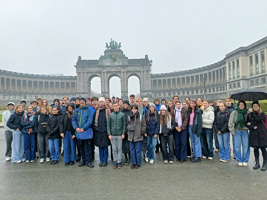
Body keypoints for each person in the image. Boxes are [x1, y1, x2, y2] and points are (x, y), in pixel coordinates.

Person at [72, 98, 94, 168]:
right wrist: (76, 128)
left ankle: (88, 161)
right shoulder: (77, 110)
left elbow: (90, 121)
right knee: (81, 147)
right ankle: (83, 160)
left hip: (86, 131)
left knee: (88, 147)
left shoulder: (89, 110)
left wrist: (83, 128)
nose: (81, 104)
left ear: (85, 103)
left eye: (83, 102)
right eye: (80, 103)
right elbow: (73, 120)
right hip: (78, 132)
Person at [246, 101, 267, 171]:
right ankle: (257, 163)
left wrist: (252, 113)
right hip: (254, 134)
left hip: (262, 133)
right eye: (254, 106)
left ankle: (265, 163)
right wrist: (252, 127)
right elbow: (247, 123)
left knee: (263, 148)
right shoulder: (249, 115)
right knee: (255, 148)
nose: (255, 107)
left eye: (256, 106)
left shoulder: (262, 114)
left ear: (259, 107)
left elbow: (258, 119)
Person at [228, 100, 250, 167]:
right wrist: (232, 130)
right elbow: (231, 122)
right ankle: (239, 160)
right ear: (238, 105)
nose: (241, 106)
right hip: (237, 130)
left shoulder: (247, 112)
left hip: (245, 131)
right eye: (240, 104)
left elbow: (250, 120)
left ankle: (245, 160)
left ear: (245, 105)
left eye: (243, 105)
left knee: (246, 146)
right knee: (237, 146)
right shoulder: (235, 112)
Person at [92, 97, 111, 167]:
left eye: (102, 102)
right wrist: (96, 128)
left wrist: (107, 129)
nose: (101, 103)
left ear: (104, 103)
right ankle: (101, 160)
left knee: (105, 146)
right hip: (98, 131)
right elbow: (93, 122)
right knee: (100, 146)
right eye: (100, 102)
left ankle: (105, 160)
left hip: (105, 131)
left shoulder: (108, 110)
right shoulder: (96, 111)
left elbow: (110, 121)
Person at [107, 102, 126, 169]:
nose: (115, 107)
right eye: (114, 106)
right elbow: (108, 125)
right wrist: (109, 133)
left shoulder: (122, 115)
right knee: (114, 149)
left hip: (120, 134)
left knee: (119, 148)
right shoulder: (110, 115)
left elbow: (124, 125)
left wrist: (123, 133)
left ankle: (119, 161)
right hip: (112, 134)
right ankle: (115, 160)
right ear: (112, 107)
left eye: (116, 106)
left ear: (119, 106)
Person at [127, 104, 146, 169]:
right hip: (130, 136)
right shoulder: (129, 116)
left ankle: (138, 163)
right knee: (132, 150)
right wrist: (127, 131)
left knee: (138, 150)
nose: (134, 110)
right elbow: (126, 125)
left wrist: (142, 131)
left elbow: (144, 125)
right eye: (132, 109)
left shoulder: (141, 116)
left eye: (135, 109)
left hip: (138, 135)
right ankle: (133, 163)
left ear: (137, 109)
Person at [121, 100, 131, 164]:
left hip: (129, 131)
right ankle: (126, 158)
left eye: (126, 104)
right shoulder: (121, 112)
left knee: (129, 145)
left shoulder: (130, 112)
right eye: (124, 104)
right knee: (124, 145)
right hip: (122, 131)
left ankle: (130, 157)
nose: (125, 105)